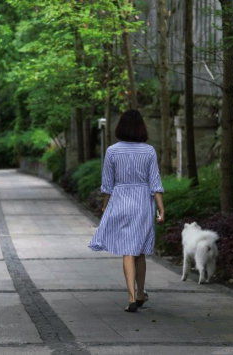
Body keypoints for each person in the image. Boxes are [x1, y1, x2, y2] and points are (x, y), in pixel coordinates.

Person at [88, 109, 165, 313]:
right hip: (142, 202)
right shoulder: (149, 151)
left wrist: (105, 205)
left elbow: (107, 184)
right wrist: (161, 210)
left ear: (120, 127)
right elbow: (155, 183)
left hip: (120, 200)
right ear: (142, 128)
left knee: (127, 251)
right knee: (138, 251)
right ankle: (140, 294)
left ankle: (132, 296)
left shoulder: (112, 151)